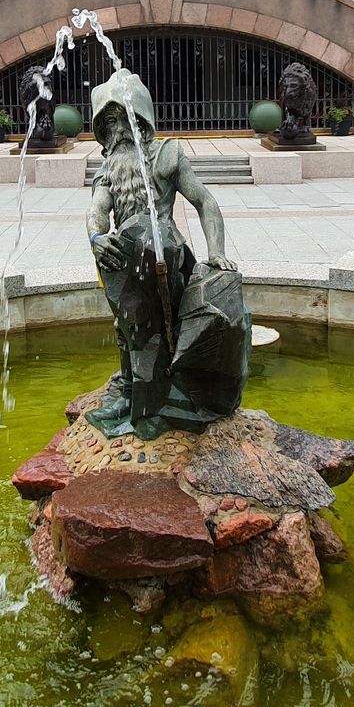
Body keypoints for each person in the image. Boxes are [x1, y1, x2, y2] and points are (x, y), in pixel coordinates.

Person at [85, 69, 250, 439]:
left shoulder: (167, 154)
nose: (119, 129)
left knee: (151, 332)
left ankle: (152, 405)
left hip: (168, 260)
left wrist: (217, 253)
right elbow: (96, 209)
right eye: (109, 122)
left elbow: (204, 201)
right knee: (126, 327)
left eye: (125, 118)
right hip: (128, 264)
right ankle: (131, 391)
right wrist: (96, 236)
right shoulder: (110, 167)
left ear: (141, 119)